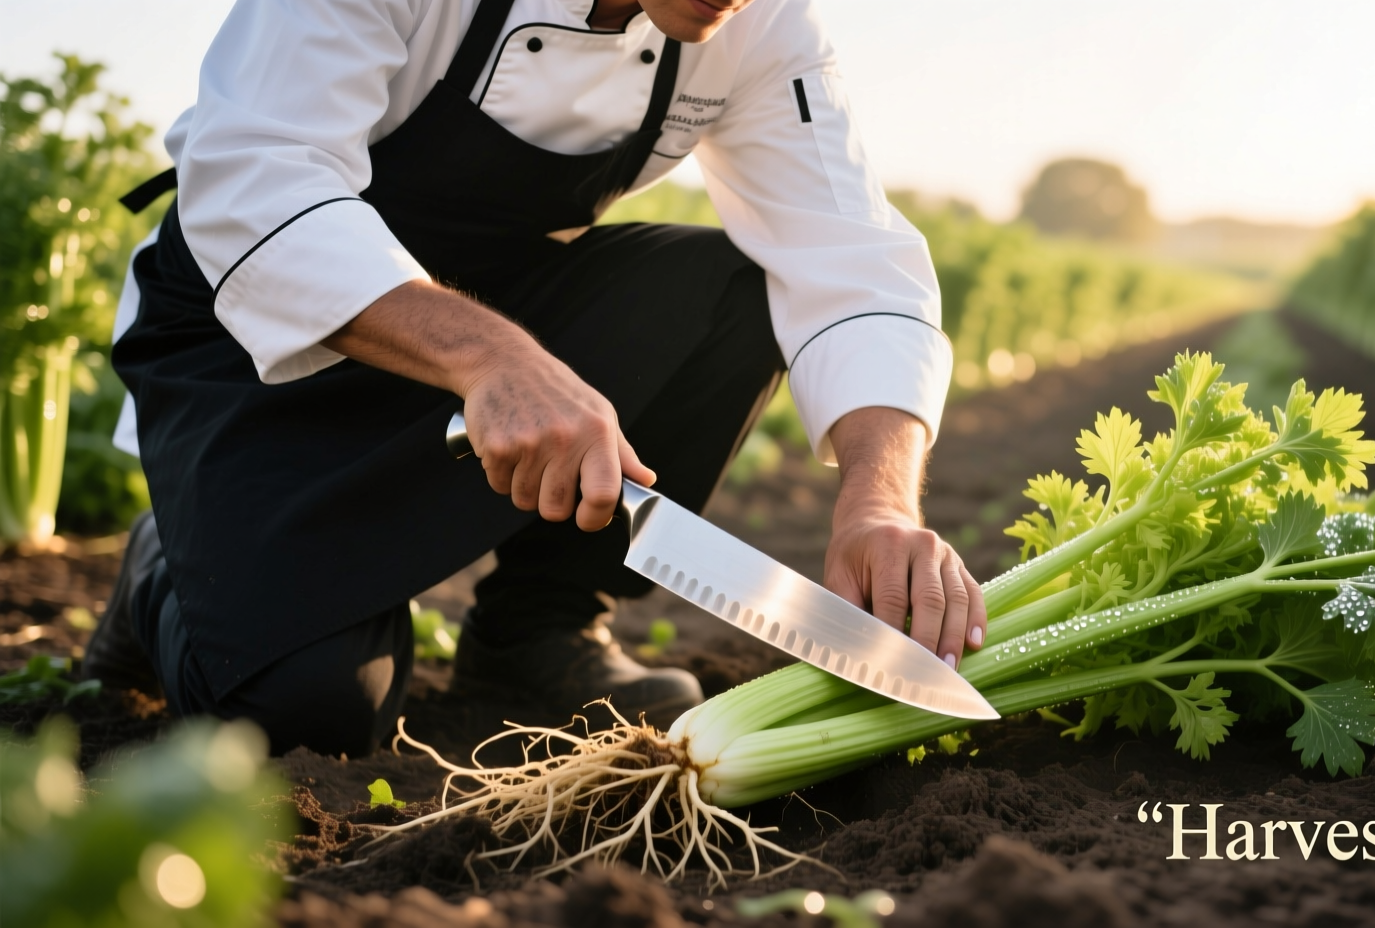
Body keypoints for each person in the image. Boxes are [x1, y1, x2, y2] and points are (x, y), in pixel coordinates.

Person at [84, 0, 986, 758]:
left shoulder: (759, 26)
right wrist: (490, 358)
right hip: (255, 343)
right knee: (307, 717)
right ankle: (161, 563)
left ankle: (537, 632)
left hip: (498, 337)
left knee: (739, 290)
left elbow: (849, 259)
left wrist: (880, 502)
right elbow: (254, 177)